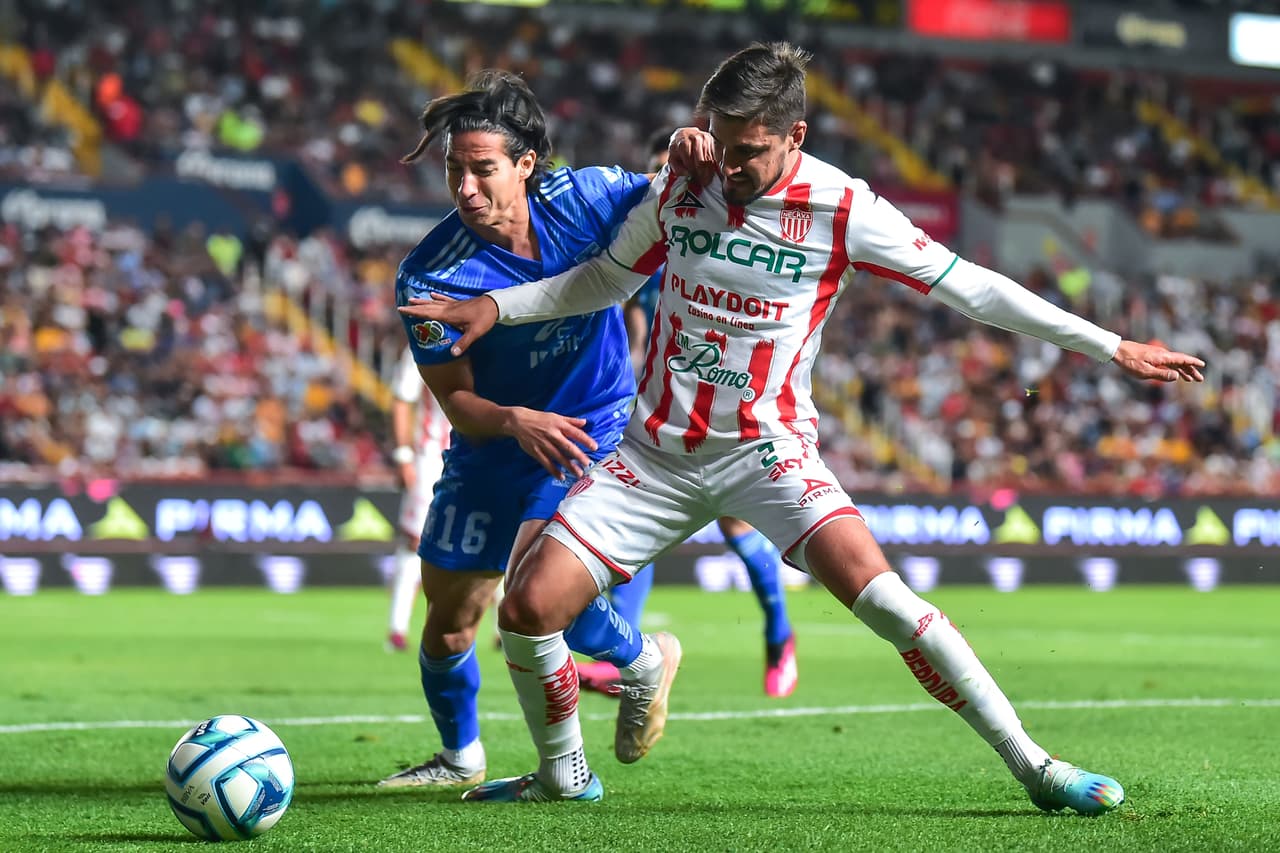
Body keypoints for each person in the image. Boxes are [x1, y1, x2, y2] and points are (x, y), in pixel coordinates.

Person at [399, 42, 1206, 810]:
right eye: (719, 142)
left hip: (767, 452)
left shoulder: (844, 207)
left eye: (748, 151)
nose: (729, 166)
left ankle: (1037, 765)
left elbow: (973, 288)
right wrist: (496, 307)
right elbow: (603, 281)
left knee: (888, 602)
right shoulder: (684, 185)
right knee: (526, 609)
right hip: (655, 454)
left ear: (796, 136)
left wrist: (1111, 345)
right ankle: (563, 776)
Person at [380, 70, 697, 790]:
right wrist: (512, 420)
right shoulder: (428, 277)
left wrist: (691, 148)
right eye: (454, 171)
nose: (464, 188)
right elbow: (456, 401)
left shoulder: (586, 198)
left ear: (525, 164)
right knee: (449, 621)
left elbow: (674, 196)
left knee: (538, 593)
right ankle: (459, 757)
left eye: (481, 170)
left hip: (591, 428)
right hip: (494, 442)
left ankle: (638, 667)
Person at [577, 127, 798, 699]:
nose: (671, 179)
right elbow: (630, 312)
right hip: (657, 391)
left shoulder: (721, 227)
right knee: (633, 500)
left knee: (734, 524)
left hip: (723, 391)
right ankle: (624, 651)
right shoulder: (644, 232)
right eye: (662, 169)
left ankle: (779, 634)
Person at [385, 346, 451, 653]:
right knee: (415, 540)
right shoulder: (425, 339)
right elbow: (403, 398)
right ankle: (397, 628)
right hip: (431, 456)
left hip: (479, 455)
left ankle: (500, 631)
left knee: (496, 534)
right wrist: (403, 455)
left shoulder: (491, 335)